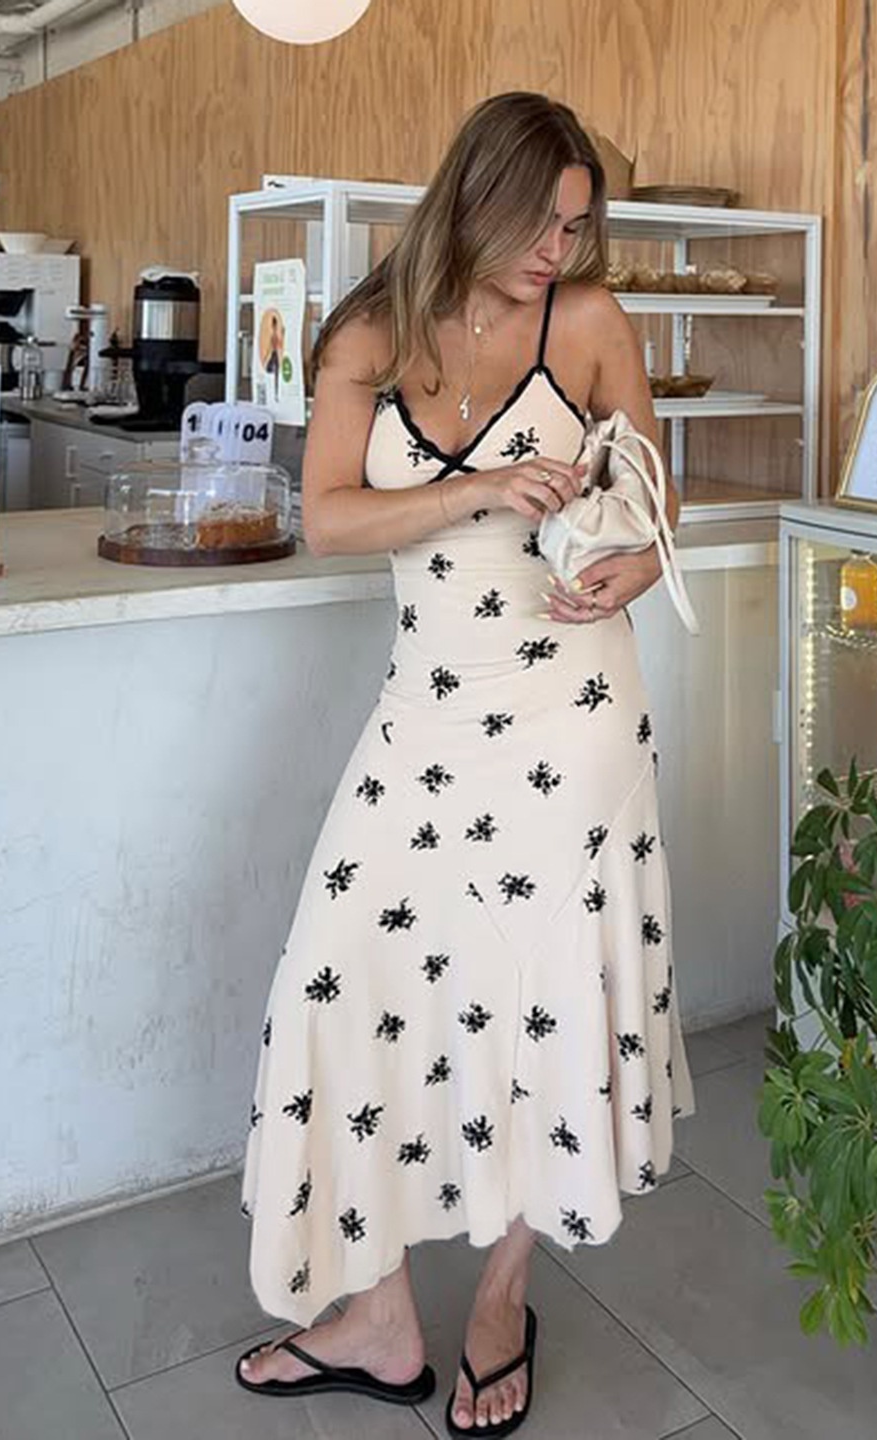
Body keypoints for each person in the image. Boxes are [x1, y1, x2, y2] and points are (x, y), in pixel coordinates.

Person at [236, 91, 695, 1437]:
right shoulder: (369, 333)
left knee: (550, 990)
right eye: (542, 221)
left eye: (579, 223)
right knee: (337, 977)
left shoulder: (590, 324)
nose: (562, 248)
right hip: (428, 716)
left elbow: (658, 504)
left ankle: (503, 1300)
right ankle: (379, 1318)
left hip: (575, 710)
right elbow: (329, 518)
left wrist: (634, 567)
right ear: (476, 198)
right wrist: (484, 489)